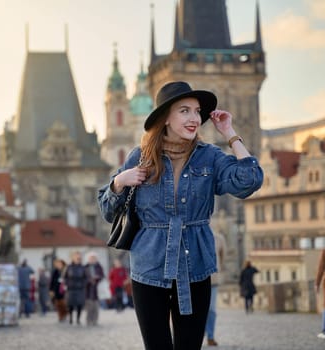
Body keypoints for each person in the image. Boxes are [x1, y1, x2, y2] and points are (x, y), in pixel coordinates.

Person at [98, 81, 263, 350]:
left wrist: (230, 132)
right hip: (149, 268)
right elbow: (106, 210)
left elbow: (250, 180)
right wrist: (119, 182)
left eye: (197, 112)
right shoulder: (140, 158)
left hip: (195, 267)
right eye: (184, 111)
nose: (194, 118)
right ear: (165, 118)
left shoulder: (209, 156)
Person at [205, 232, 227, 346]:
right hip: (197, 279)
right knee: (199, 309)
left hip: (213, 279)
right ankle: (200, 333)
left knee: (212, 309)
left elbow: (223, 257)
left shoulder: (219, 238)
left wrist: (218, 269)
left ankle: (210, 336)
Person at [64, 251, 87, 325]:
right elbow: (65, 277)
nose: (77, 258)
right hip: (71, 288)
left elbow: (86, 277)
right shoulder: (69, 267)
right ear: (73, 257)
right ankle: (71, 318)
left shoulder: (83, 267)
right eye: (76, 256)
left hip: (80, 288)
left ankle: (78, 319)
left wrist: (83, 284)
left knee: (79, 304)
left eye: (79, 256)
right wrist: (67, 283)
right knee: (70, 304)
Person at [84, 251, 105, 326]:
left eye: (94, 258)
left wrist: (97, 278)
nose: (92, 259)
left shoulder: (99, 266)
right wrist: (89, 280)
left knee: (96, 307)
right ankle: (88, 320)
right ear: (88, 259)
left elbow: (102, 276)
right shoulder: (85, 267)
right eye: (91, 258)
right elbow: (83, 278)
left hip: (97, 288)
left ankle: (95, 320)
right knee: (89, 307)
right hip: (88, 289)